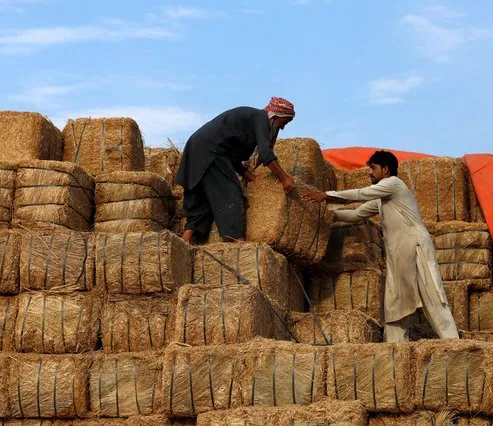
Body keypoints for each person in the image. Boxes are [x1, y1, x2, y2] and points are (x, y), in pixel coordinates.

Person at [301, 150, 459, 342]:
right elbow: (357, 214)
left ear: (385, 170)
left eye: (373, 168)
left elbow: (361, 194)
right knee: (395, 303)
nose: (369, 172)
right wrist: (328, 215)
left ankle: (454, 345)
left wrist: (325, 196)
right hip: (398, 254)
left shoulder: (394, 184)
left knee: (432, 296)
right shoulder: (382, 199)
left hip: (415, 246)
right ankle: (395, 351)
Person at [175, 97, 296, 244]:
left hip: (198, 148)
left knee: (205, 197)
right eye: (285, 122)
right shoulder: (260, 118)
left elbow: (231, 153)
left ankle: (186, 239)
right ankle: (237, 243)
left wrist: (247, 174)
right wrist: (284, 178)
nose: (282, 127)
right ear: (277, 116)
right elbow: (266, 154)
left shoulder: (251, 118)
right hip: (211, 151)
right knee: (231, 194)